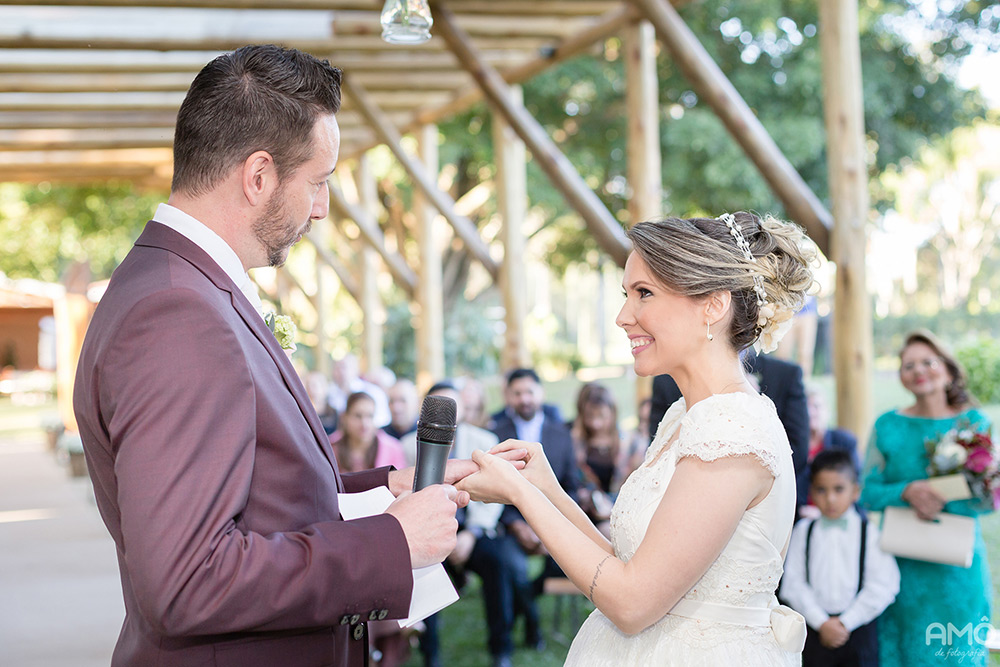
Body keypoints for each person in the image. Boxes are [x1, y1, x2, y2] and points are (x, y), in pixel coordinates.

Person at [71, 45, 478, 667]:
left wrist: (384, 493)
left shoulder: (183, 284)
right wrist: (392, 541)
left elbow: (256, 496)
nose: (321, 207)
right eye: (318, 182)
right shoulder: (179, 315)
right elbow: (187, 581)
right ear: (258, 176)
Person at [459, 211, 817, 664]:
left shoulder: (734, 430)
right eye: (627, 295)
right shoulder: (685, 415)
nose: (623, 316)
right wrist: (544, 488)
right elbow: (625, 568)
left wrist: (518, 496)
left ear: (712, 305)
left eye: (643, 293)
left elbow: (631, 604)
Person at [861, 330, 994, 667]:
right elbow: (867, 493)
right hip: (901, 569)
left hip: (958, 569)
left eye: (928, 362)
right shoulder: (887, 426)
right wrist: (906, 491)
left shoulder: (976, 424)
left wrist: (942, 498)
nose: (918, 370)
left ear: (947, 370)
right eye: (908, 365)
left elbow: (990, 499)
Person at [399, 381, 504, 667]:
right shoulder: (409, 445)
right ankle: (430, 653)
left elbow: (492, 499)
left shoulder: (485, 439)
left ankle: (501, 649)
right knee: (423, 571)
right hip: (424, 528)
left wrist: (470, 534)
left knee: (499, 562)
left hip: (472, 532)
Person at [489, 367, 580, 663]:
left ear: (540, 393)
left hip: (553, 523)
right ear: (509, 396)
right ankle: (507, 640)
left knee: (568, 560)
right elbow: (491, 491)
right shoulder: (495, 432)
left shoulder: (560, 433)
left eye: (529, 392)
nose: (524, 399)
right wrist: (516, 524)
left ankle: (527, 615)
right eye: (517, 393)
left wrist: (548, 527)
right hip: (510, 526)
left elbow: (571, 487)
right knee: (507, 565)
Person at [650, 350, 810, 510]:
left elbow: (798, 450)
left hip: (767, 505)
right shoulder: (666, 382)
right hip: (678, 503)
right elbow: (658, 449)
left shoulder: (784, 374)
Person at [782, 449, 900, 667]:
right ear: (811, 491)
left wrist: (846, 622)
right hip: (815, 631)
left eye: (839, 489)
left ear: (855, 491)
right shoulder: (803, 531)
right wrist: (821, 622)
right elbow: (793, 583)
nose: (830, 499)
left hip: (859, 630)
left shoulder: (870, 533)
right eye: (821, 490)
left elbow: (884, 584)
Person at [797, 386, 859, 517]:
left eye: (817, 407)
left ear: (827, 412)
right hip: (801, 517)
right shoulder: (793, 446)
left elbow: (857, 480)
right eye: (806, 408)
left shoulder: (844, 441)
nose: (811, 413)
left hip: (841, 515)